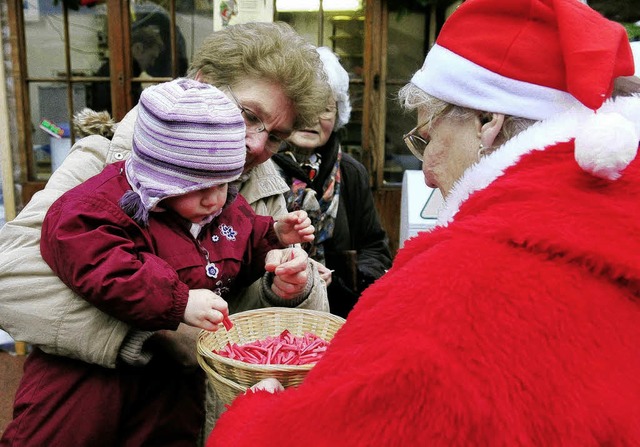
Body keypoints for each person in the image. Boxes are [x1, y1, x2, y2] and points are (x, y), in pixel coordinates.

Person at [207, 1, 640, 445]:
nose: (428, 172)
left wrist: (255, 414)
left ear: (488, 122)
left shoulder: (458, 280)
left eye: (426, 137)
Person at [0, 21, 330, 445]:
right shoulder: (103, 166)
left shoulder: (266, 192)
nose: (255, 145)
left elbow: (275, 327)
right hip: (90, 411)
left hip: (195, 420)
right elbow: (11, 278)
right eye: (248, 115)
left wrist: (286, 288)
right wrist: (156, 326)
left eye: (276, 137)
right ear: (202, 83)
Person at [272, 47, 392, 318]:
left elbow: (375, 248)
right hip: (266, 312)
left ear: (338, 116)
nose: (314, 118)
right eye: (304, 107)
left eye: (325, 108)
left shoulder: (351, 172)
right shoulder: (259, 165)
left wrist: (339, 279)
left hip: (335, 314)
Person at [90, 25, 165, 114]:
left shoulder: (119, 69)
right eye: (151, 57)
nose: (152, 63)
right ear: (138, 48)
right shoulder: (124, 75)